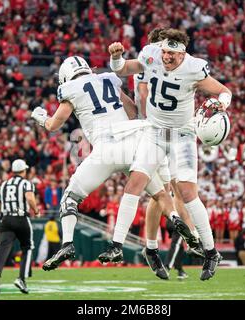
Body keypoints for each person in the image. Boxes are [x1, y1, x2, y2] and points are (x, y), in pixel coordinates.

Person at [31, 56, 199, 280]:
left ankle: (68, 244)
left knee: (70, 198)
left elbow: (54, 125)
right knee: (159, 193)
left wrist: (40, 117)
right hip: (135, 141)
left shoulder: (70, 88)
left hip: (105, 149)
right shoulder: (108, 79)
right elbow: (131, 110)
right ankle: (175, 218)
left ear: (65, 76)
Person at [106, 27, 232, 280]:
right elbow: (122, 69)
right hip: (155, 131)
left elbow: (224, 91)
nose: (167, 58)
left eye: (172, 55)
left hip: (182, 135)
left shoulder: (194, 68)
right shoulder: (151, 54)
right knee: (135, 184)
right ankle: (116, 245)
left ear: (183, 54)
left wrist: (223, 103)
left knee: (187, 193)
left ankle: (210, 252)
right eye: (165, 52)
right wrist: (116, 57)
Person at [0, 159, 39, 295]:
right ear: (24, 171)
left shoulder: (4, 184)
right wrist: (36, 210)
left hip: (5, 219)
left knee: (3, 247)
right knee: (27, 247)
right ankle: (21, 279)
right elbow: (30, 198)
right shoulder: (25, 183)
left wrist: (8, 204)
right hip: (21, 218)